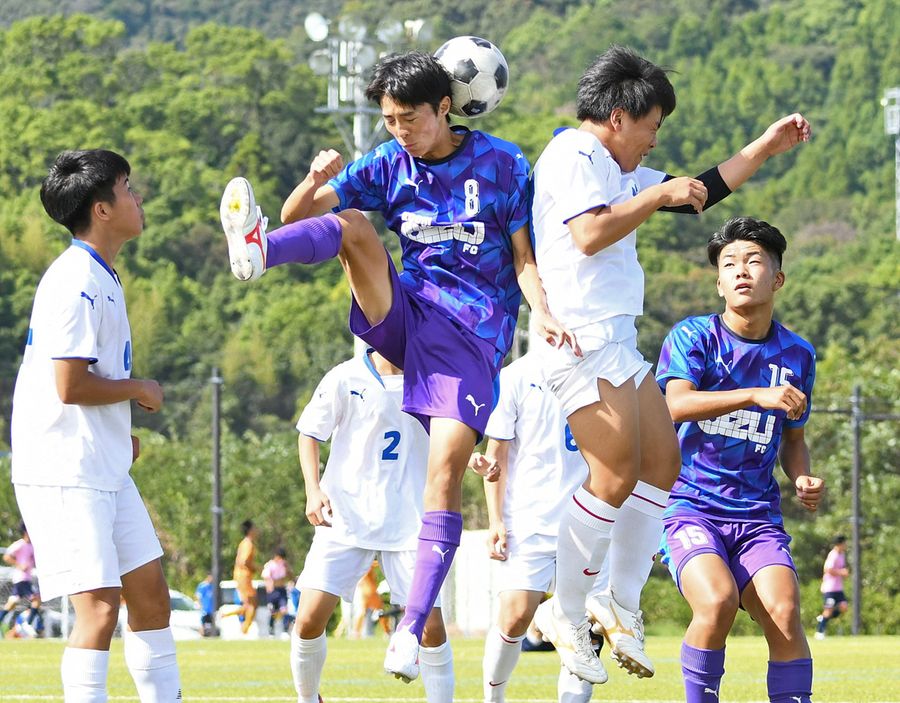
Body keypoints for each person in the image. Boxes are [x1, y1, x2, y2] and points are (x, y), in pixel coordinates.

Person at [219, 49, 575, 681]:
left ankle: (409, 631)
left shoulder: (502, 163)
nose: (398, 130)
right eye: (387, 119)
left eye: (408, 118)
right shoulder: (388, 162)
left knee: (443, 478)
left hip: (471, 339)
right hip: (407, 314)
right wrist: (311, 177)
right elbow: (310, 212)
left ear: (445, 107)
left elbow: (523, 256)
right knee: (354, 224)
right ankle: (256, 253)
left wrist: (541, 312)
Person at [529, 45, 811, 683]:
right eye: (653, 126)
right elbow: (589, 233)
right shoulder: (574, 155)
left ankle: (617, 600)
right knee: (614, 474)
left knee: (661, 464)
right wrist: (656, 195)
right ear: (622, 115)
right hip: (579, 339)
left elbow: (697, 193)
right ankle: (565, 609)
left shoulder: (615, 167)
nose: (656, 141)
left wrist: (763, 148)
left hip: (617, 339)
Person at [9, 149, 181, 700]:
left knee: (151, 593)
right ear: (102, 209)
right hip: (64, 470)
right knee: (100, 611)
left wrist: (115, 435)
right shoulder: (74, 279)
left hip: (97, 463)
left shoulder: (101, 274)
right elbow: (70, 386)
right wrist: (138, 389)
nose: (137, 197)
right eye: (128, 187)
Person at [657, 217, 823, 703]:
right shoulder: (694, 337)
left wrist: (804, 477)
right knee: (717, 601)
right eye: (729, 264)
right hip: (689, 507)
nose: (741, 271)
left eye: (753, 261)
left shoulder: (798, 354)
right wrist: (754, 395)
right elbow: (674, 405)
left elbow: (794, 439)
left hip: (756, 517)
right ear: (719, 282)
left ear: (778, 278)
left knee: (786, 613)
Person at [291, 349, 454, 703]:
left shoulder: (434, 376)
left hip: (411, 523)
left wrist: (469, 458)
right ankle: (308, 699)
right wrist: (312, 489)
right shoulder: (345, 376)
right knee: (307, 621)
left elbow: (449, 435)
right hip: (346, 518)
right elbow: (309, 433)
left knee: (432, 629)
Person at [472, 350, 607, 703]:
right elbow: (496, 454)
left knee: (588, 625)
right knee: (516, 615)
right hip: (529, 518)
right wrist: (496, 520)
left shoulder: (609, 368)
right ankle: (493, 697)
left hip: (592, 518)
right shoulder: (517, 375)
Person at [1, 522, 37, 630]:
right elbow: (6, 556)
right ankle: (29, 624)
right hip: (21, 578)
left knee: (11, 603)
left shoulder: (32, 546)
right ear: (26, 532)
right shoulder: (20, 544)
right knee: (36, 599)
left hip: (27, 578)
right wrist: (19, 565)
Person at [815, 535, 849, 639]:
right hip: (830, 588)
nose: (846, 545)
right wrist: (841, 572)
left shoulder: (842, 554)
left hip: (838, 588)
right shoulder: (833, 555)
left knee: (844, 606)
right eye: (845, 543)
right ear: (840, 544)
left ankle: (823, 618)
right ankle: (820, 632)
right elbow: (827, 569)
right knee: (828, 610)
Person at [233, 519, 259, 635]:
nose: (257, 530)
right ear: (250, 530)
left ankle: (225, 616)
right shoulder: (248, 543)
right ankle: (244, 630)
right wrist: (255, 567)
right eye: (255, 528)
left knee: (249, 604)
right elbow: (244, 561)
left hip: (241, 576)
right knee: (251, 604)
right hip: (244, 577)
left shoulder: (244, 542)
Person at [262, 547, 293, 636]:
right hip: (273, 591)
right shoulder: (270, 565)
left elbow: (289, 575)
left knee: (284, 610)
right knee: (273, 611)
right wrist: (269, 588)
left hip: (281, 590)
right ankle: (271, 629)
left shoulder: (284, 565)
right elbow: (266, 577)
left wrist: (287, 569)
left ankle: (285, 630)